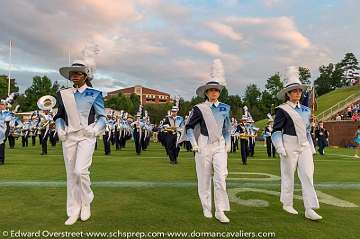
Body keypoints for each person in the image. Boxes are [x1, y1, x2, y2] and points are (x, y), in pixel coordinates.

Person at [54, 60, 106, 226]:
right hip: (69, 137)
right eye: (72, 74)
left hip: (86, 136)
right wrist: (59, 128)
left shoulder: (95, 93)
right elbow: (59, 115)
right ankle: (73, 209)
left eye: (77, 73)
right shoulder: (63, 94)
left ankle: (86, 201)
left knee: (80, 171)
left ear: (85, 76)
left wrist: (95, 130)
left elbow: (102, 117)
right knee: (71, 175)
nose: (74, 76)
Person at [271, 67, 322, 221]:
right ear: (288, 93)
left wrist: (311, 146)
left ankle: (309, 208)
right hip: (289, 143)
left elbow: (306, 131)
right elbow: (276, 130)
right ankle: (287, 203)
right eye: (294, 91)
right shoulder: (282, 110)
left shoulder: (306, 110)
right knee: (288, 175)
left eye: (299, 91)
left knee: (308, 175)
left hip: (304, 144)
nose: (298, 93)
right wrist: (279, 146)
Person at [185, 81, 231, 223]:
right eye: (210, 90)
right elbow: (189, 127)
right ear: (206, 93)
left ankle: (220, 210)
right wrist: (193, 143)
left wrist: (228, 143)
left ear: (219, 92)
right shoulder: (200, 108)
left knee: (221, 177)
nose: (213, 93)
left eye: (216, 90)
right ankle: (206, 207)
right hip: (204, 144)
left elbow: (227, 128)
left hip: (219, 145)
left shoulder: (225, 108)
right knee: (204, 177)